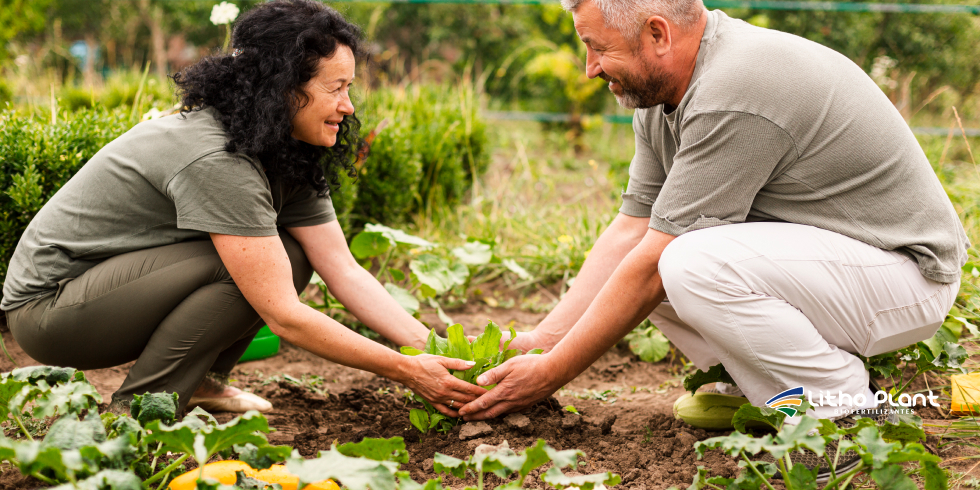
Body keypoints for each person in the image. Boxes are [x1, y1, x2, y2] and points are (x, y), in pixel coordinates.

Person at [457, 0, 969, 479]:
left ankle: (841, 414)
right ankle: (762, 388)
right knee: (653, 260)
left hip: (904, 275)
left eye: (598, 47)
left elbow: (655, 260)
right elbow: (633, 230)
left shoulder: (736, 88)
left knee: (683, 262)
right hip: (831, 267)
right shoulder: (660, 97)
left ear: (657, 33)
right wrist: (543, 341)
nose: (589, 68)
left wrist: (551, 374)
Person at [1, 0, 484, 416]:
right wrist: (406, 370)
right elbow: (284, 316)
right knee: (257, 271)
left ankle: (200, 382)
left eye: (350, 88)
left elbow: (343, 269)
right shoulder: (217, 155)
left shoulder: (283, 147)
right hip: (54, 311)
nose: (349, 106)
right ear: (283, 88)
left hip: (113, 289)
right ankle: (140, 412)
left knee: (293, 256)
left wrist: (441, 353)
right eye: (336, 88)